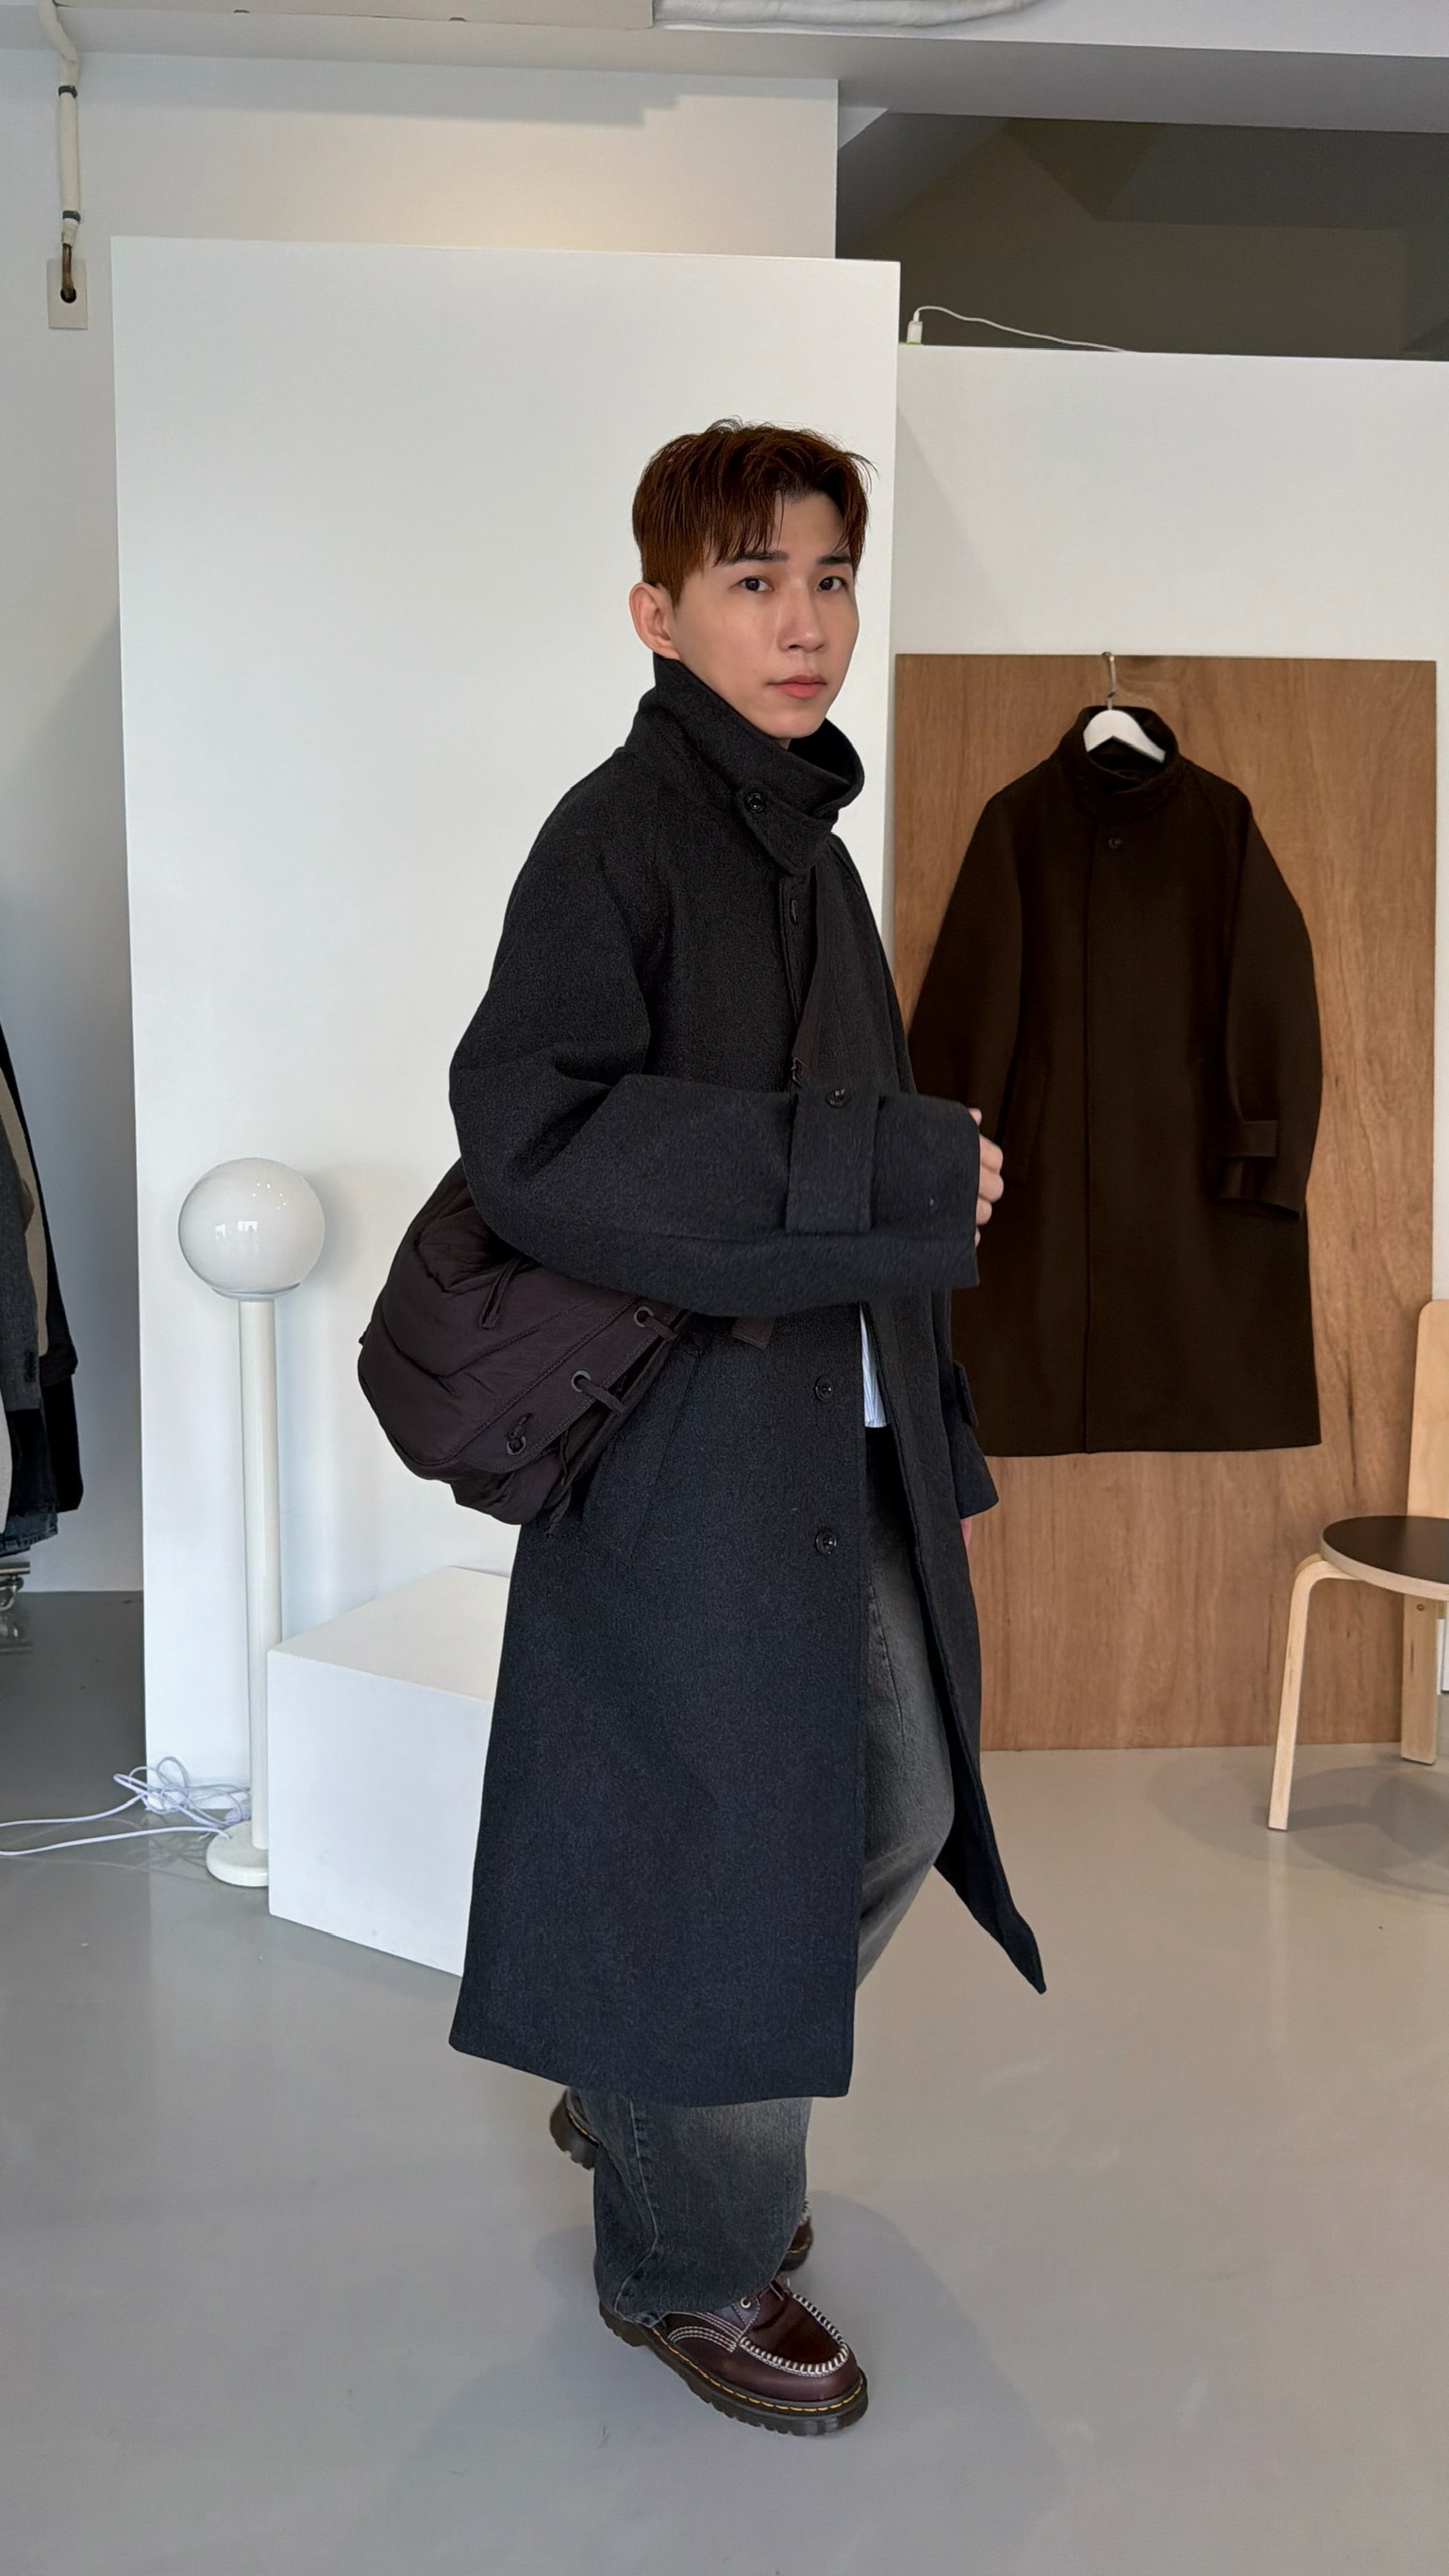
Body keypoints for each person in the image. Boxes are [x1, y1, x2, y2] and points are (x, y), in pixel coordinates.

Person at [447, 419, 1041, 2436]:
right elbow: (532, 1137)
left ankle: (648, 2088)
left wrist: (936, 1437)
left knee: (893, 1804)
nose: (805, 623)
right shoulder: (614, 835)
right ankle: (685, 2257)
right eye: (753, 582)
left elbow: (851, 1176)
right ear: (658, 612)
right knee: (724, 1860)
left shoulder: (808, 839)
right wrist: (887, 1164)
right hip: (688, 1459)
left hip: (834, 1443)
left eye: (830, 578)